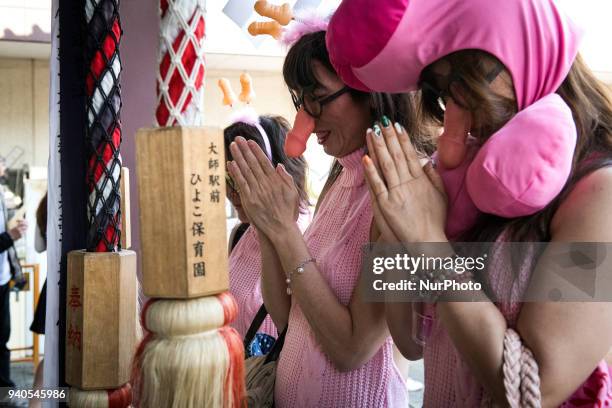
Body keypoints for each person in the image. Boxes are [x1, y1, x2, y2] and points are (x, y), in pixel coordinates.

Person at [327, 0, 612, 406]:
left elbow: (536, 388)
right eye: (446, 95)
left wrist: (428, 241)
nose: (457, 120)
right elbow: (410, 341)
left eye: (469, 82)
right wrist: (393, 234)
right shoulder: (472, 177)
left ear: (523, 49)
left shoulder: (600, 191)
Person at [228, 28, 431, 407]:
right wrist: (270, 226)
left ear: (369, 93)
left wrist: (286, 233)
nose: (306, 119)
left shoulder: (399, 188)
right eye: (301, 101)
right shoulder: (340, 177)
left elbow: (353, 347)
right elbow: (286, 314)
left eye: (317, 99)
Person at [224, 112, 310, 344]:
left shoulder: (308, 237)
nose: (232, 193)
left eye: (243, 178)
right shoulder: (239, 234)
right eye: (226, 178)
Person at [0, 156, 27, 388]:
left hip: (3, 278)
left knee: (2, 337)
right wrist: (11, 236)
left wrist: (13, 232)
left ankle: (5, 388)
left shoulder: (1, 194)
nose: (4, 168)